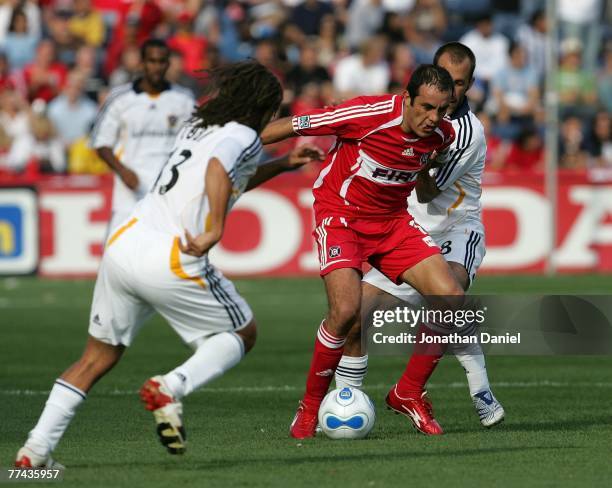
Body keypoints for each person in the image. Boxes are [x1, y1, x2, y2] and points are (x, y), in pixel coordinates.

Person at [14, 60, 322, 468]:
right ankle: (170, 387)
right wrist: (213, 229)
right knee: (242, 332)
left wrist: (283, 163)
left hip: (124, 243)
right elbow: (219, 171)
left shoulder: (198, 126)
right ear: (261, 105)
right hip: (171, 255)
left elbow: (230, 171)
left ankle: (33, 452)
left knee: (96, 357)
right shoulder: (243, 136)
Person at [262, 64, 465, 439]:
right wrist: (239, 146)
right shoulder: (365, 114)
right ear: (407, 99)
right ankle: (308, 410)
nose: (432, 117)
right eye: (424, 107)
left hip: (392, 223)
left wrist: (422, 181)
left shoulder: (442, 134)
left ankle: (408, 393)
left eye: (441, 109)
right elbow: (294, 125)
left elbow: (419, 159)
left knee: (450, 296)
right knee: (344, 312)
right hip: (341, 216)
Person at [335, 42, 505, 429]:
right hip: (410, 227)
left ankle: (415, 390)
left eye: (459, 83)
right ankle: (347, 401)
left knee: (449, 299)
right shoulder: (409, 111)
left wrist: (413, 156)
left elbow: (427, 190)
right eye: (445, 77)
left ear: (469, 85)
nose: (451, 88)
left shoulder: (465, 133)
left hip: (455, 227)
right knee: (354, 316)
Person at [90, 38, 194, 237]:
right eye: (151, 61)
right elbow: (100, 143)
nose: (157, 67)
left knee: (164, 257)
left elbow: (196, 142)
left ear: (168, 64)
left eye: (162, 61)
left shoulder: (184, 99)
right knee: (116, 256)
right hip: (130, 193)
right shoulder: (120, 98)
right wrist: (122, 171)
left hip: (168, 192)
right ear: (141, 63)